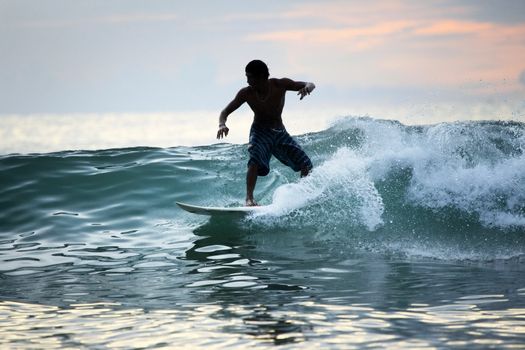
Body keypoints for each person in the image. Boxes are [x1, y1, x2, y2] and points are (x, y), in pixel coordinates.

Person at [216, 59, 315, 206]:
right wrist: (222, 124)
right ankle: (249, 199)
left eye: (250, 77)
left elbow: (310, 84)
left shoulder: (280, 85)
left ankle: (301, 194)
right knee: (254, 159)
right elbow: (225, 111)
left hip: (279, 132)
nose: (248, 81)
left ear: (261, 76)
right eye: (246, 77)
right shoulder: (246, 93)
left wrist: (307, 88)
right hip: (260, 132)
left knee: (306, 164)